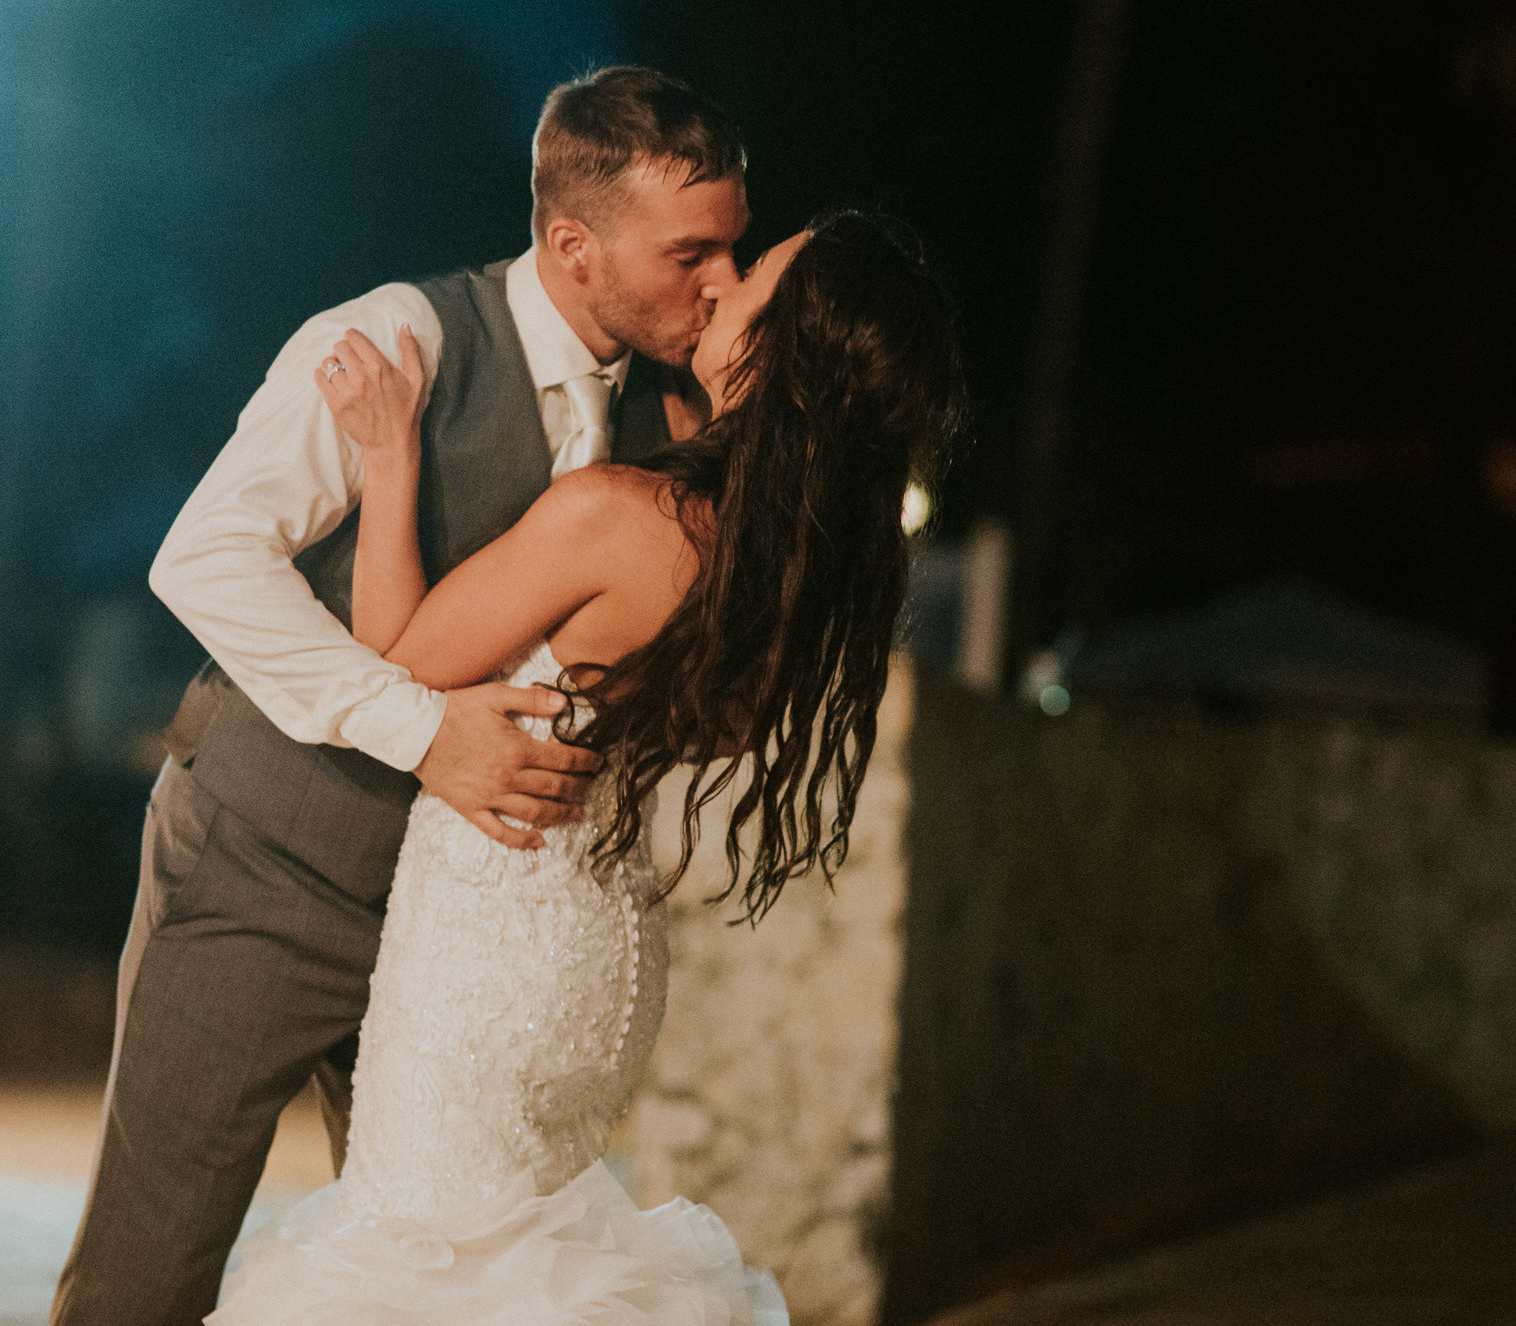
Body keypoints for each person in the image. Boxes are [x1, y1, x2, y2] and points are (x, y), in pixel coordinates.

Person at [53, 67, 750, 1326]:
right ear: (572, 244)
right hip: (265, 870)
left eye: (733, 249)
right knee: (147, 1274)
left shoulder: (677, 410)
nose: (718, 281)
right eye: (690, 250)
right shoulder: (393, 341)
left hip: (459, 943)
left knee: (427, 1288)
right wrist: (424, 730)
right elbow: (202, 557)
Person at [210, 207, 958, 1322]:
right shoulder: (790, 580)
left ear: (783, 342)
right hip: (600, 960)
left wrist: (389, 449)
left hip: (491, 942)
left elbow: (396, 661)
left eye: (755, 281)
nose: (722, 286)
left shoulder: (619, 517)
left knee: (420, 1271)